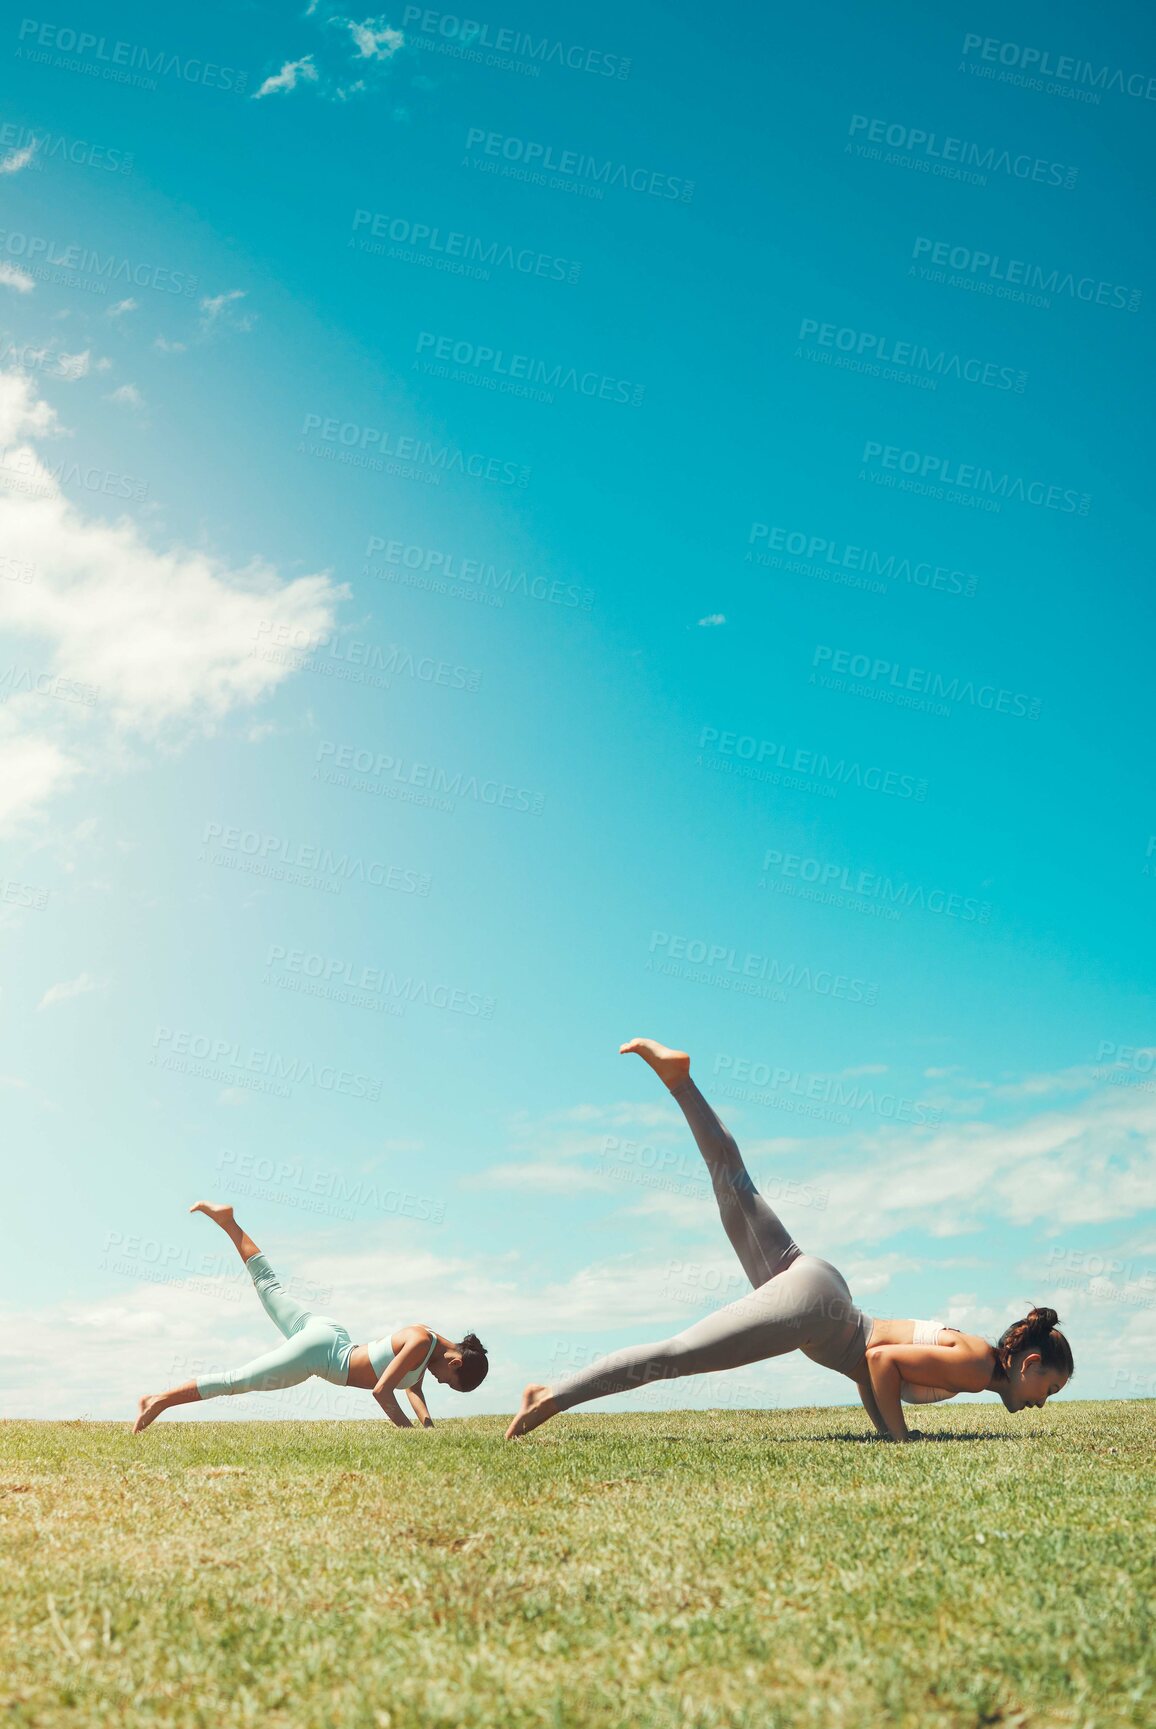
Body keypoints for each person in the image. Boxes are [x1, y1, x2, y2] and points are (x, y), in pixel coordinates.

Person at [506, 1039, 1073, 1442]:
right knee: (677, 1356)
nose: (1045, 1401)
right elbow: (879, 1361)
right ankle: (550, 1397)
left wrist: (887, 1430)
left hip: (822, 1290)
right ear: (1027, 1365)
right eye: (1051, 1387)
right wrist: (902, 1443)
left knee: (733, 1185)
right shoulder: (977, 1367)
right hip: (820, 1316)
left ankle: (681, 1081)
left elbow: (874, 1374)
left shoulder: (975, 1358)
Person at [132, 1203, 488, 1433]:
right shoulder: (422, 1341)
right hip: (321, 1355)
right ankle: (159, 1400)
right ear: (455, 1362)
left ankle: (228, 1221)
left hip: (329, 1333)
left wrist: (428, 1425)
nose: (441, 1383)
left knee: (269, 1287)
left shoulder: (426, 1342)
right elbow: (382, 1392)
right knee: (236, 1381)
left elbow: (412, 1386)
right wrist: (408, 1434)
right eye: (449, 1382)